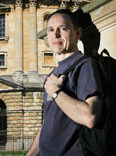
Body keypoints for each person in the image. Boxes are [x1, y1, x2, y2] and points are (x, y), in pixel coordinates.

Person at [26, 9, 103, 156]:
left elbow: (90, 117)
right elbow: (48, 124)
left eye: (63, 28)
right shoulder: (52, 75)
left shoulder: (84, 65)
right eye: (50, 30)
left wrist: (55, 92)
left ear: (78, 33)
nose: (55, 35)